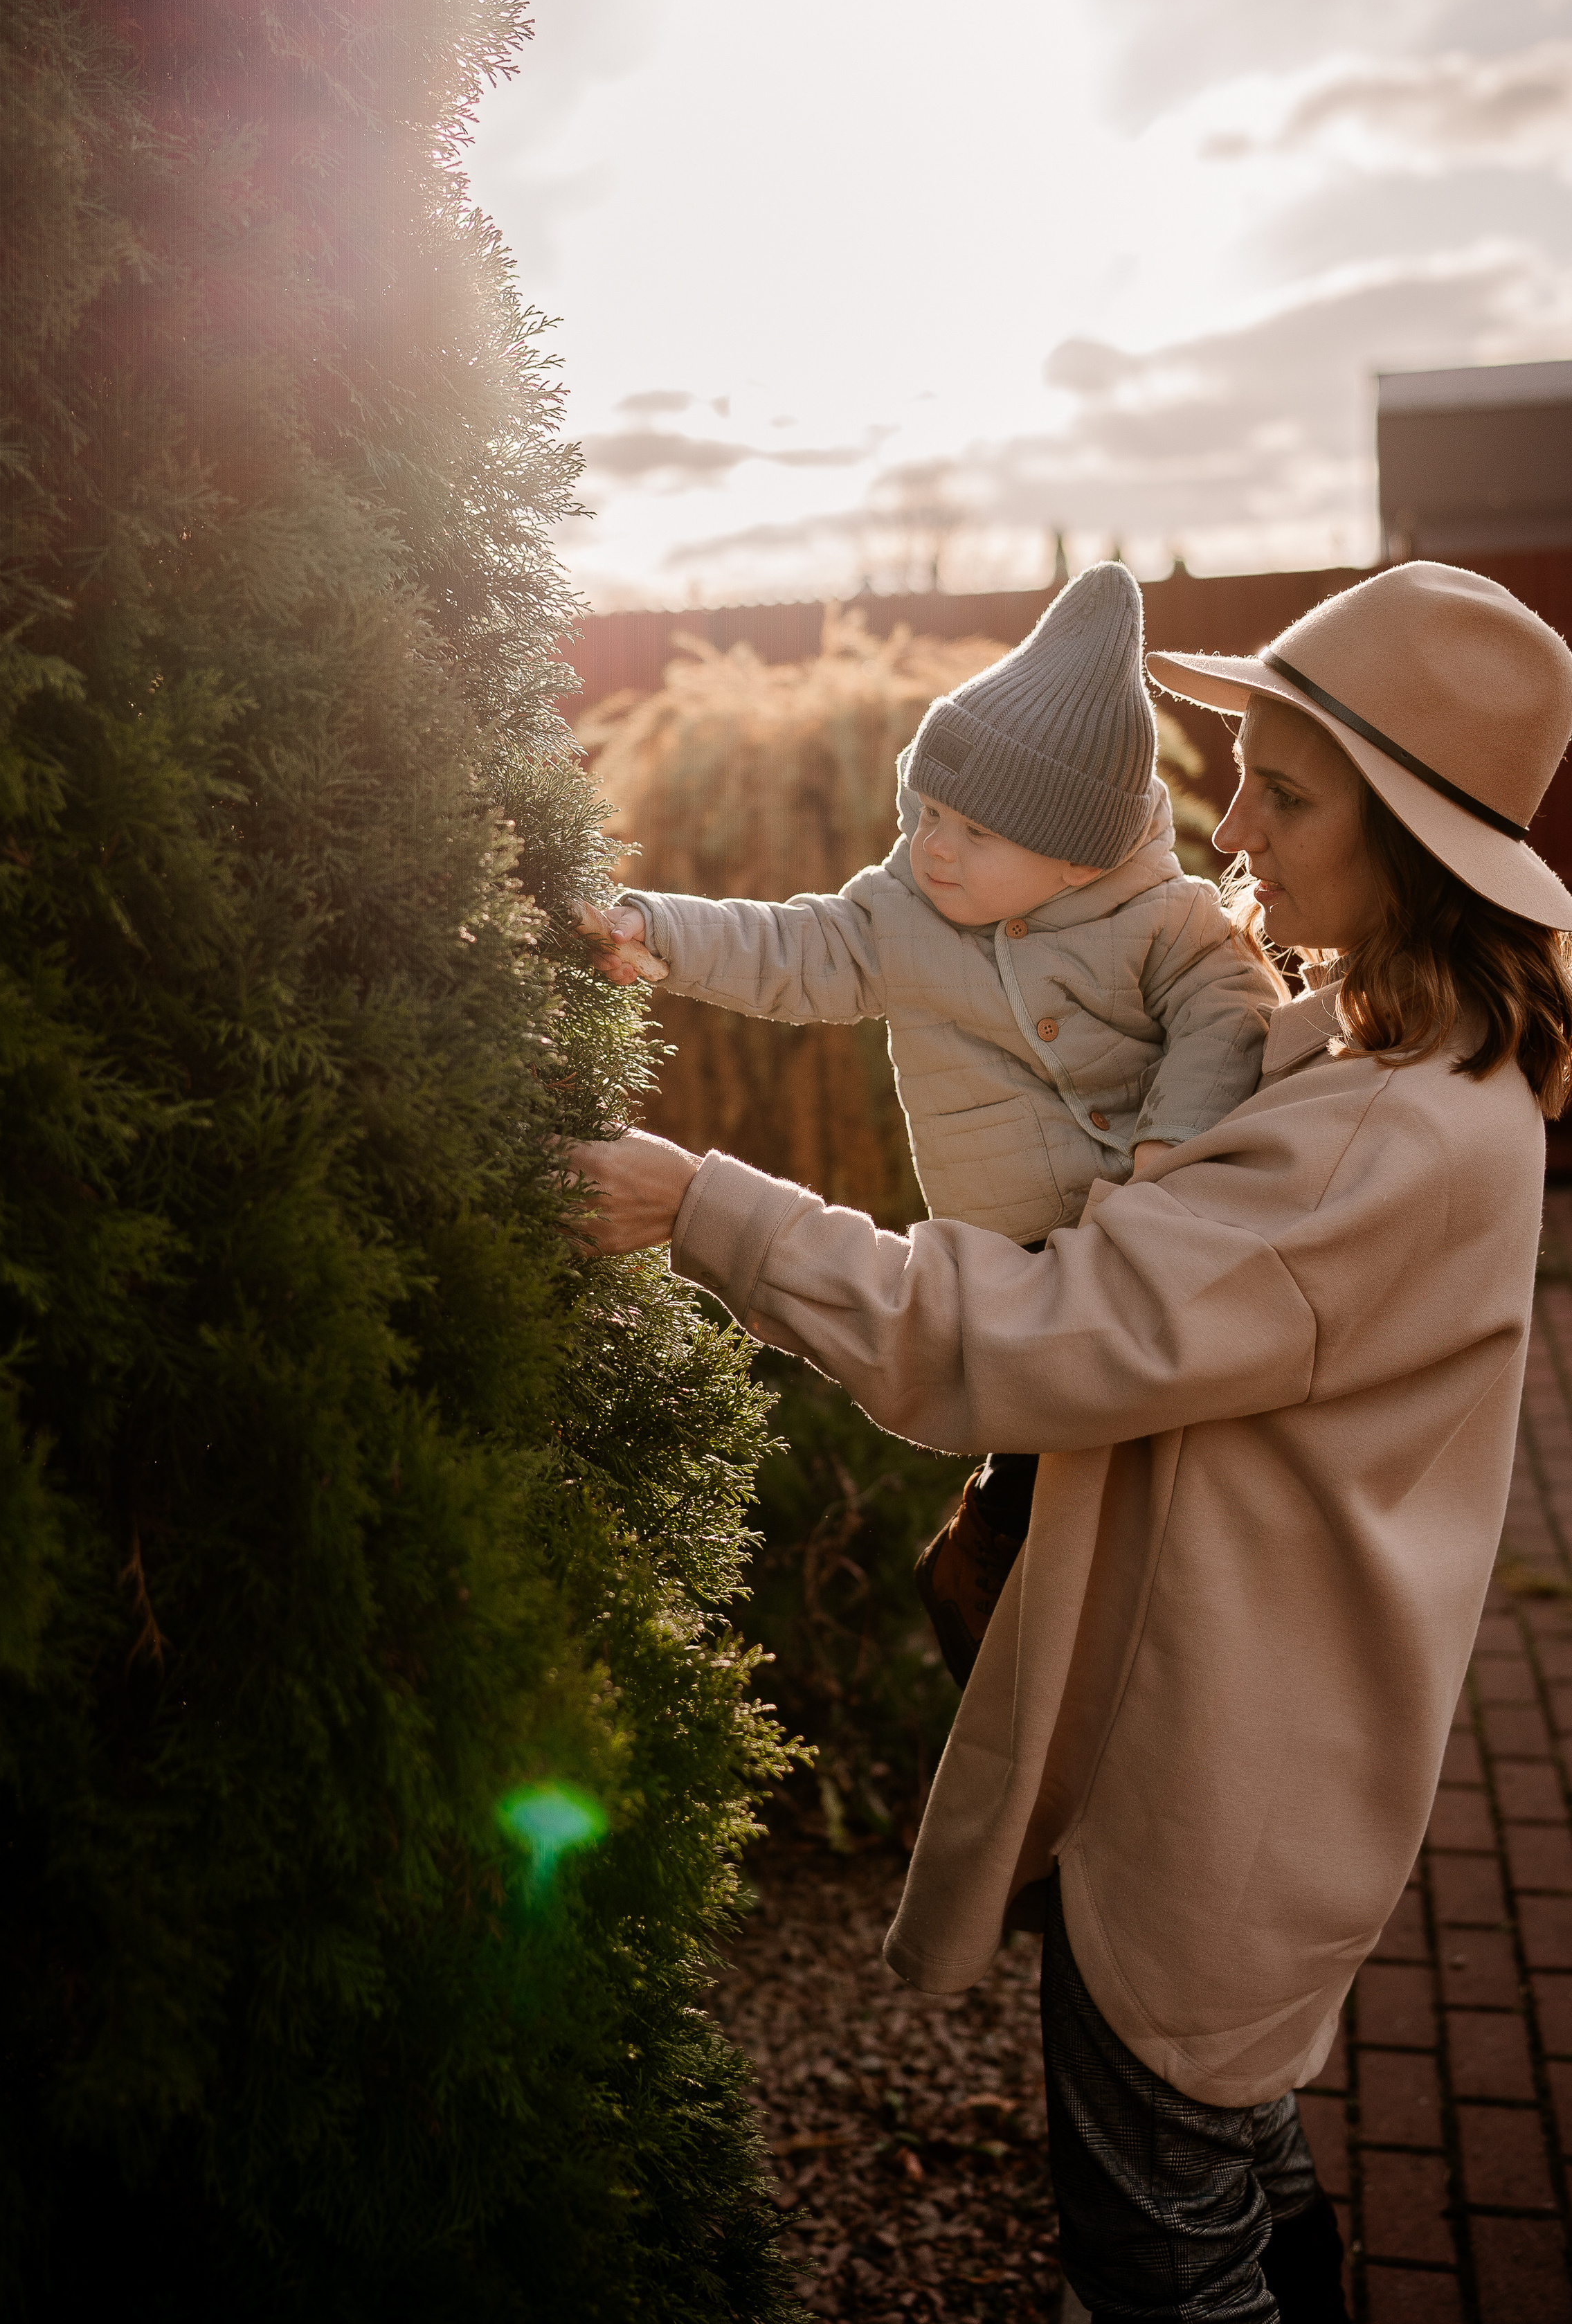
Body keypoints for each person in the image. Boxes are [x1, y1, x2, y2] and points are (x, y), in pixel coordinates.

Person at [566, 560, 1572, 2324]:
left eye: (1282, 791)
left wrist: (699, 1205)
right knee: (1230, 2160)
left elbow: (1036, 1336)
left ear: (1410, 841)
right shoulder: (1383, 1055)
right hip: (1265, 1729)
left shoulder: (1370, 1140)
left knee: (1158, 2246)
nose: (1224, 823)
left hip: (1218, 1768)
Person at [579, 565, 1276, 1683]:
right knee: (1029, 1456)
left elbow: (1229, 1008)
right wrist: (653, 929)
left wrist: (1167, 1154)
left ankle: (1110, 1627)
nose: (935, 846)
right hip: (1011, 1264)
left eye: (974, 832)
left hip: (1142, 1246)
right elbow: (796, 947)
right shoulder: (906, 912)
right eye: (929, 812)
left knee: (1126, 1467)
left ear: (1078, 855)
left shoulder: (1167, 924)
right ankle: (1002, 1605)